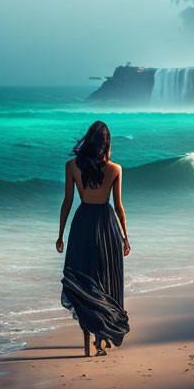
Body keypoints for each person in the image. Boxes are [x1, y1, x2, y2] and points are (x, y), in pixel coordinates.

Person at [56, 121, 131, 356]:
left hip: (82, 223)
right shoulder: (115, 169)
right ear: (107, 144)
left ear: (88, 140)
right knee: (106, 278)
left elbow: (67, 201)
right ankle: (102, 336)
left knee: (83, 279)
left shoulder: (71, 166)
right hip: (106, 224)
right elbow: (118, 207)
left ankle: (88, 339)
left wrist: (60, 235)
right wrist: (125, 238)